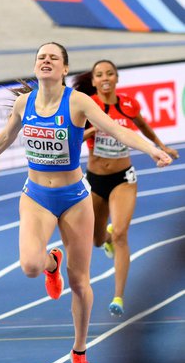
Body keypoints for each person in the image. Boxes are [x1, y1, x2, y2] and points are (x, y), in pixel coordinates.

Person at [0, 43, 172, 363]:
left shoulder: (77, 102)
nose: (45, 61)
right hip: (36, 195)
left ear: (63, 69)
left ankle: (79, 351)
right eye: (41, 57)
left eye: (52, 58)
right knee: (29, 265)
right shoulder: (23, 103)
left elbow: (118, 130)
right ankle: (50, 264)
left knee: (80, 283)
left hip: (74, 198)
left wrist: (152, 149)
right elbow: (2, 140)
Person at [72, 60, 179, 318]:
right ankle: (105, 238)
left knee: (121, 233)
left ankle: (118, 297)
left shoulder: (128, 104)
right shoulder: (87, 107)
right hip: (96, 180)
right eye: (100, 75)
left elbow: (142, 126)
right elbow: (72, 138)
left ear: (117, 78)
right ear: (94, 81)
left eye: (110, 73)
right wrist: (94, 130)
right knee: (98, 239)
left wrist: (160, 146)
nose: (105, 78)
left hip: (123, 177)